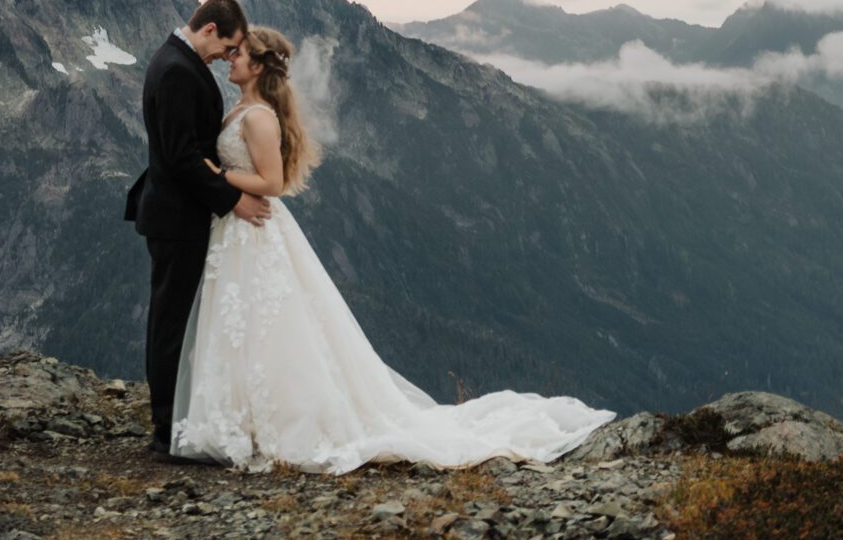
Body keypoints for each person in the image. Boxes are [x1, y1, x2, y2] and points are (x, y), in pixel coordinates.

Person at [168, 24, 611, 471]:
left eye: (239, 53)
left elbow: (273, 182)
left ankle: (267, 419)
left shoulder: (259, 116)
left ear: (259, 65)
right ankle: (241, 417)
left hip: (255, 229)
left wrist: (219, 177)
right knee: (244, 324)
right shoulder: (243, 109)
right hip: (237, 229)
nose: (231, 58)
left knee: (265, 325)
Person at [126, 0, 272, 459]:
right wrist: (232, 200)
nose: (227, 58)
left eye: (235, 54)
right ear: (209, 29)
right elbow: (182, 157)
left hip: (181, 213)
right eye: (227, 48)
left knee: (181, 321)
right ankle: (166, 432)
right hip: (176, 217)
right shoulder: (175, 71)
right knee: (171, 323)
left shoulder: (179, 63)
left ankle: (178, 422)